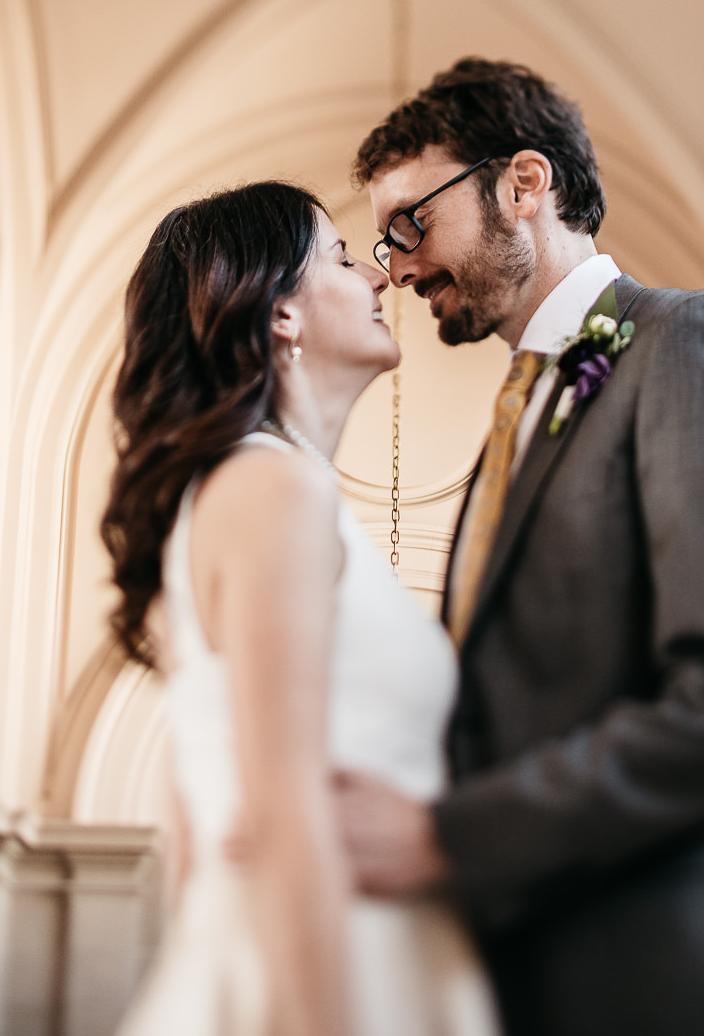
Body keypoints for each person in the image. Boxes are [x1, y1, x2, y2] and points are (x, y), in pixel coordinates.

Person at [333, 58, 704, 1036]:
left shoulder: (692, 344)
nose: (397, 265)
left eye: (411, 223)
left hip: (703, 983)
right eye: (385, 241)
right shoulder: (513, 427)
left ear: (524, 184)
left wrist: (448, 840)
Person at [102, 182, 500, 1036]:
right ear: (282, 313)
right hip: (336, 982)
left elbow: (189, 820)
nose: (381, 278)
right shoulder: (269, 487)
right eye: (345, 258)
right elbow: (282, 815)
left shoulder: (266, 487)